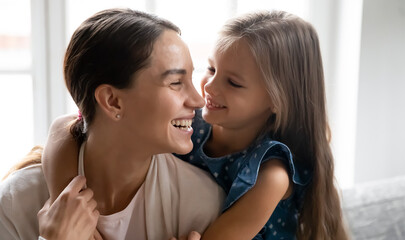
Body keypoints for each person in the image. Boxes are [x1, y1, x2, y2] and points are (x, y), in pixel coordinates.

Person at [42, 10, 349, 240]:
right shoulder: (194, 125)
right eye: (211, 69)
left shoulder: (271, 175)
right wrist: (66, 200)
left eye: (233, 83)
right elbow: (66, 126)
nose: (206, 92)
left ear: (276, 100)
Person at [0, 8, 225, 240]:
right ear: (113, 101)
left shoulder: (202, 205)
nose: (198, 100)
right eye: (176, 82)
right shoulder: (16, 202)